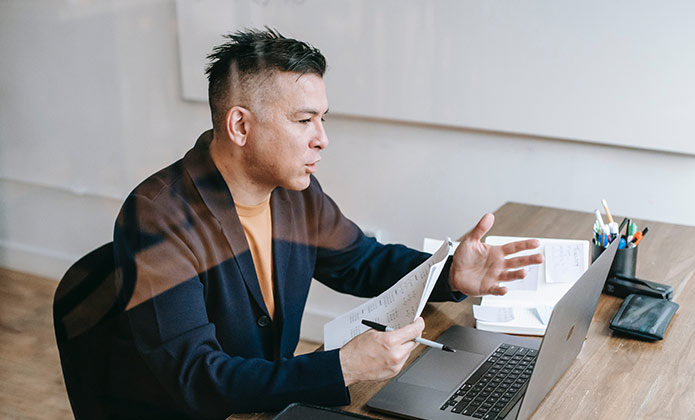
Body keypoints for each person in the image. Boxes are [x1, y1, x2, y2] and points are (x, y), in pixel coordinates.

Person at [107, 28, 543, 419]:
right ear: (240, 125)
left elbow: (361, 261)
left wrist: (449, 273)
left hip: (269, 405)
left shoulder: (295, 193)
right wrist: (344, 366)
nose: (322, 138)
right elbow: (197, 377)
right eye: (303, 120)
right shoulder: (156, 217)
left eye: (322, 118)